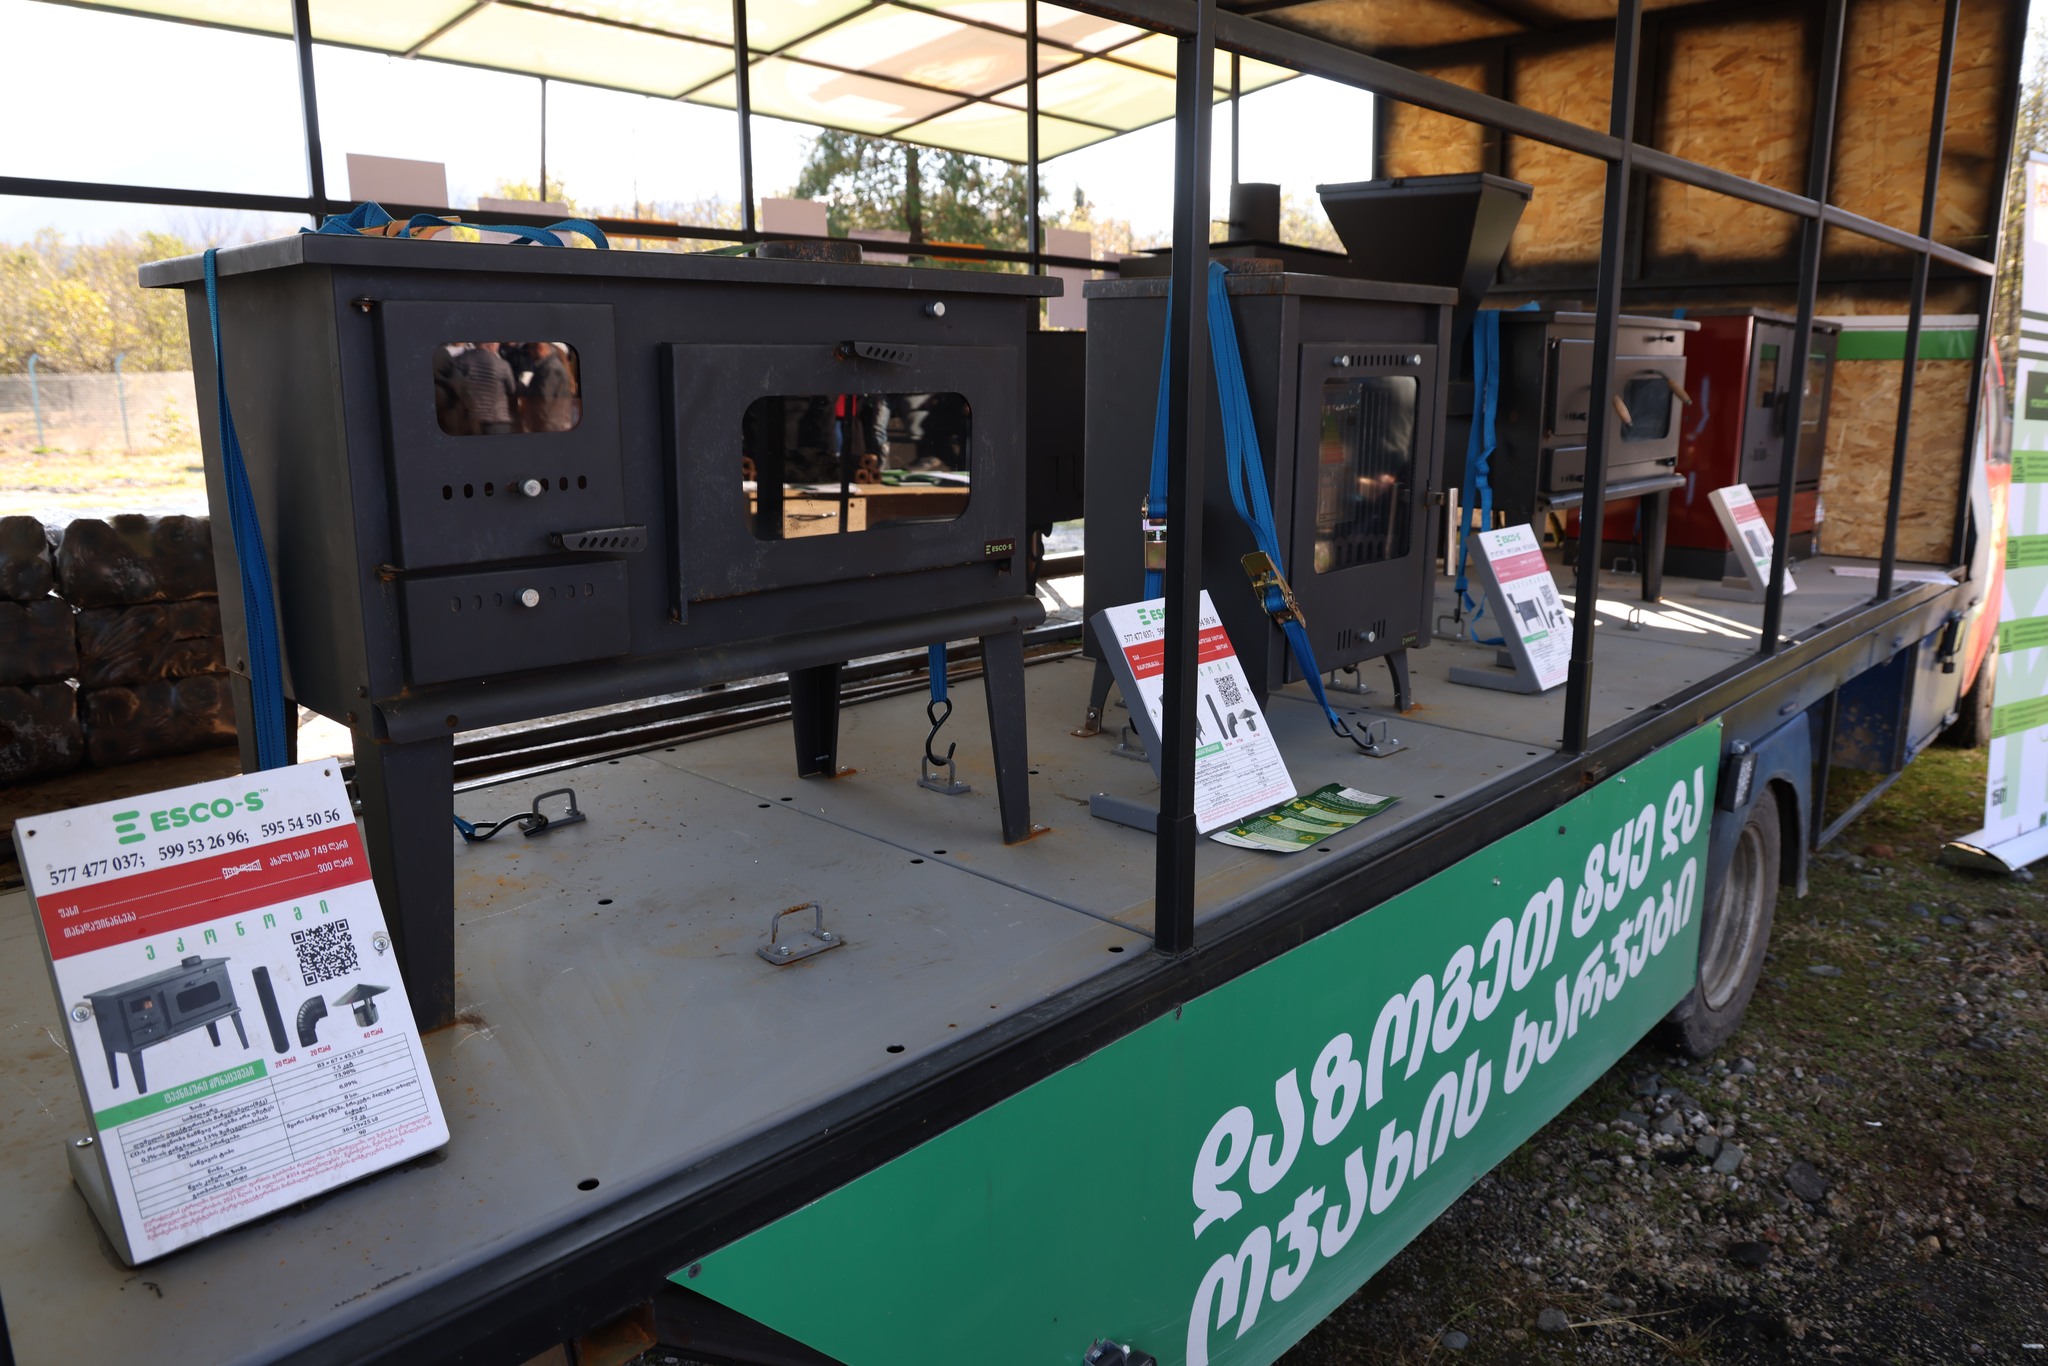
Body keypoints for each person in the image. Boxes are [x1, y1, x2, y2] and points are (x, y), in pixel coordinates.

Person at [454, 341, 518, 435]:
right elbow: (512, 389)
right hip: (497, 420)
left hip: (469, 420)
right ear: (492, 345)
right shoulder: (502, 365)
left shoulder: (459, 360)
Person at [521, 341, 578, 433]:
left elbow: (544, 398)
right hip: (551, 424)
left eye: (531, 347)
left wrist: (523, 389)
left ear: (540, 348)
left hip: (550, 426)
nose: (529, 351)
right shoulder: (547, 367)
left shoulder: (551, 369)